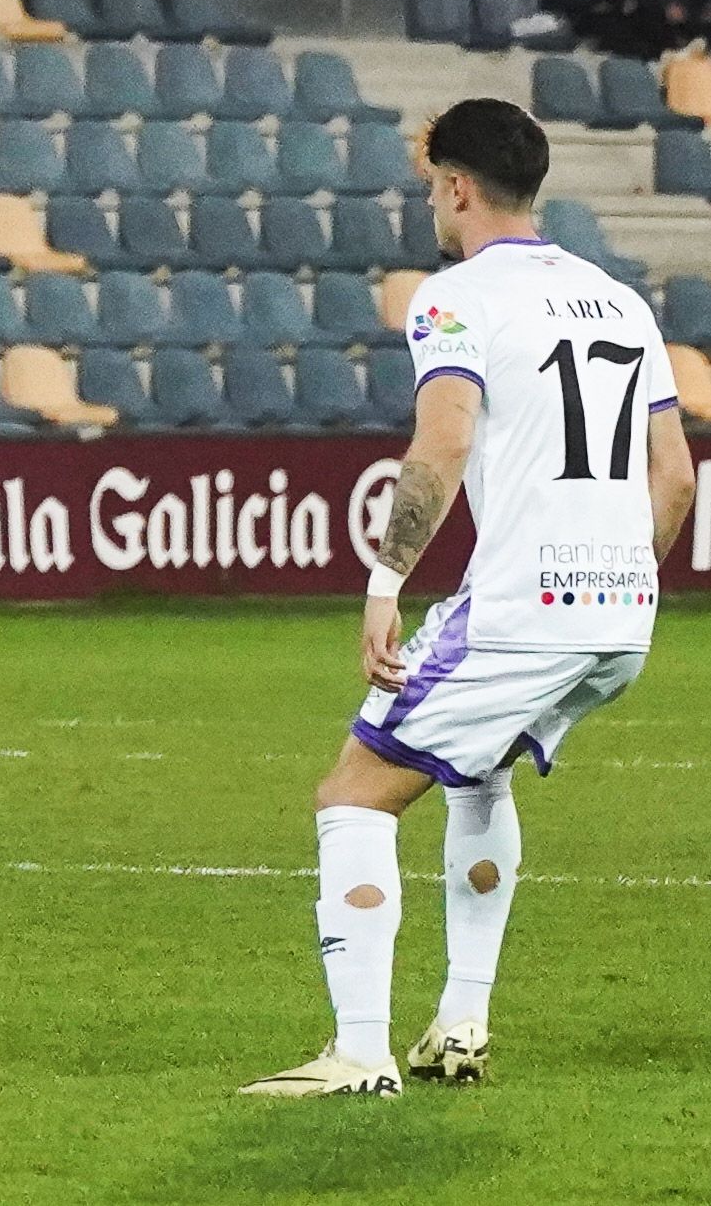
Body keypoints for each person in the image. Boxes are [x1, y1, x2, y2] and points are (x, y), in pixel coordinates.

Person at [241, 99, 695, 1099]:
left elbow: (439, 444)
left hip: (523, 609)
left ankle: (356, 1054)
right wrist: (616, 586)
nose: (427, 204)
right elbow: (675, 480)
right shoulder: (619, 300)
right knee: (472, 774)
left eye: (427, 186)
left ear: (454, 185)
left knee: (351, 794)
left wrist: (384, 581)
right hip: (620, 613)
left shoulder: (452, 298)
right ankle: (458, 1022)